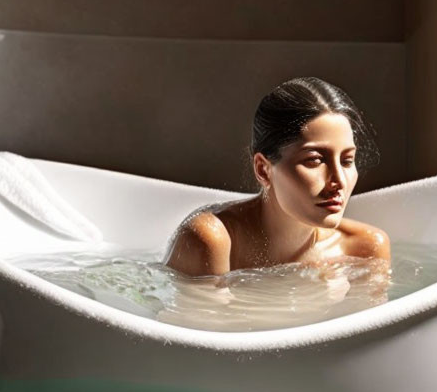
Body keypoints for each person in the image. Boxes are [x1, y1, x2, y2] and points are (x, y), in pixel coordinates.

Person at [164, 77, 390, 278]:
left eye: (347, 161)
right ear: (263, 169)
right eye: (314, 160)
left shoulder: (365, 249)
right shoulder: (213, 240)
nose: (339, 181)